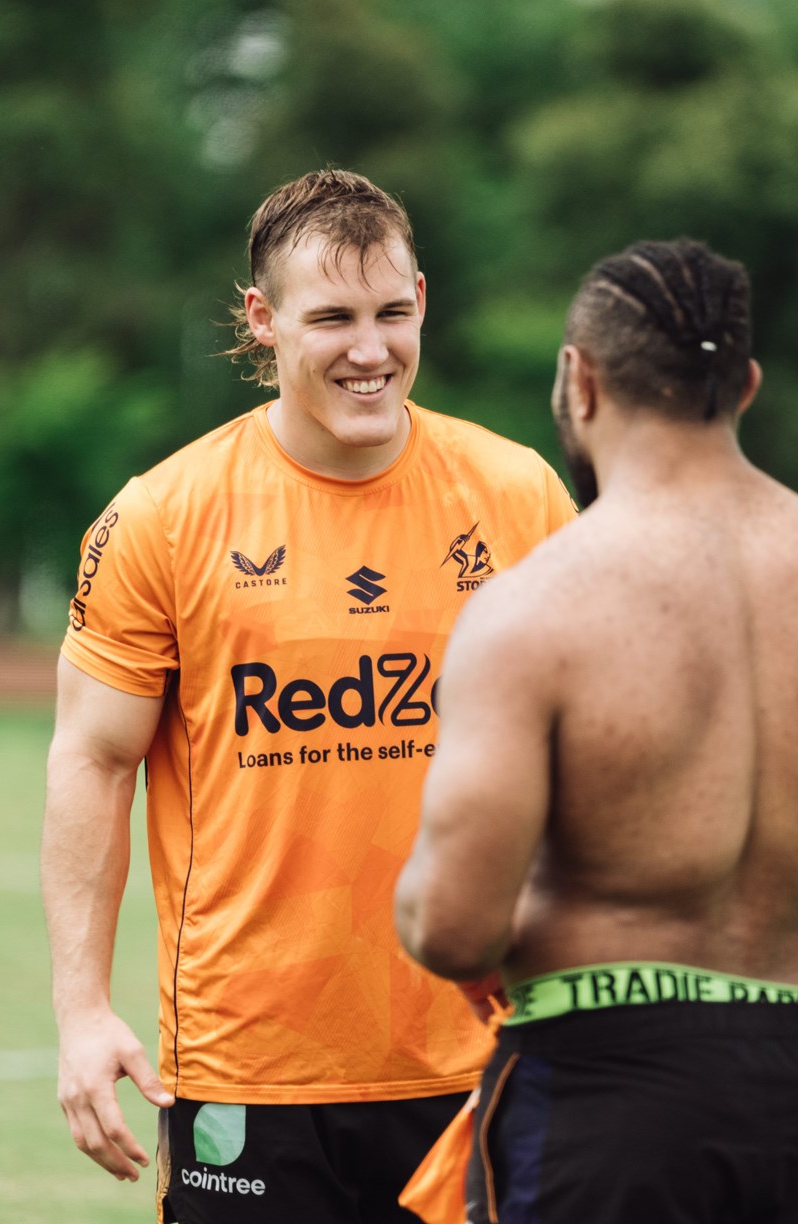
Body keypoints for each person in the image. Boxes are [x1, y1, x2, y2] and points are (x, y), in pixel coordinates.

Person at [40, 168, 577, 1224]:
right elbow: (93, 758)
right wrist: (81, 1010)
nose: (369, 350)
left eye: (391, 313)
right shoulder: (164, 516)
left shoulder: (521, 497)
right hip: (248, 1072)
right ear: (263, 318)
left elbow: (594, 753)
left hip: (481, 1058)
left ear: (421, 299)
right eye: (331, 318)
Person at [395, 238, 798, 1224]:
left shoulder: (531, 609)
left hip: (600, 1100)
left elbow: (454, 925)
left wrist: (418, 889)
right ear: (745, 386)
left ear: (579, 379)